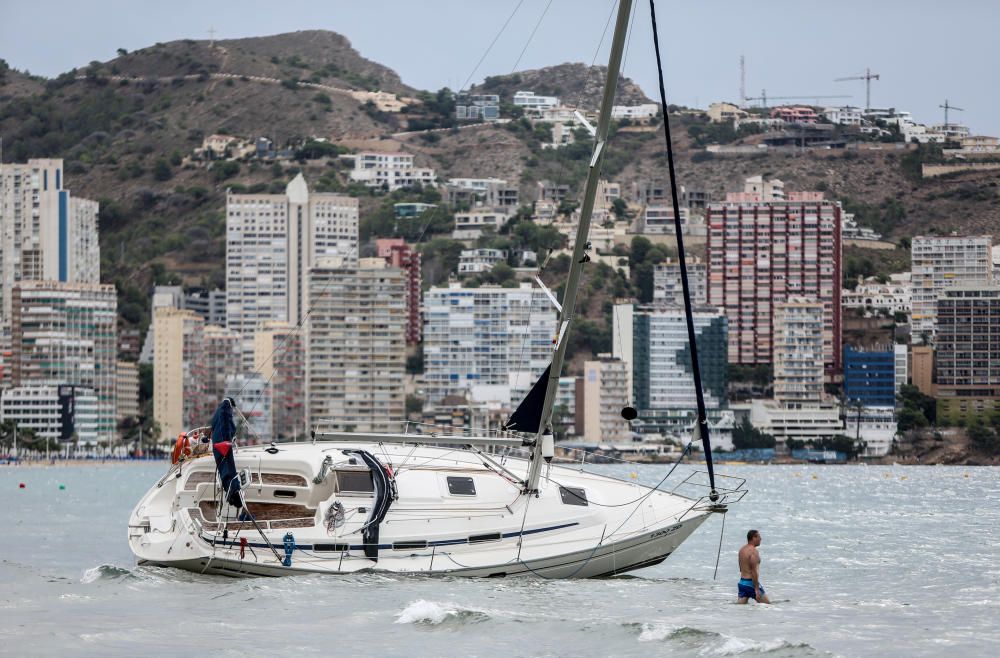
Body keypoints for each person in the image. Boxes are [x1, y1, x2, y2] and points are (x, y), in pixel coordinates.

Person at [737, 529, 771, 604]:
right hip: (750, 584)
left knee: (740, 609)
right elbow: (753, 571)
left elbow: (740, 568)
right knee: (768, 606)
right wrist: (756, 589)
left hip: (742, 583)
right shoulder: (753, 552)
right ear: (753, 538)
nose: (761, 539)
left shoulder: (742, 550)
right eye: (759, 537)